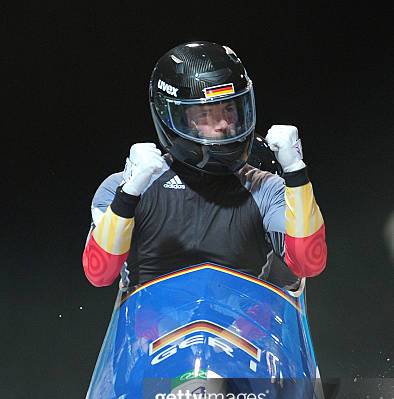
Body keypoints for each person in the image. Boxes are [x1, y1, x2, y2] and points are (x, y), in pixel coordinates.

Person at [82, 41, 327, 291]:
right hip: (152, 329)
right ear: (174, 117)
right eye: (205, 114)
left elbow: (309, 264)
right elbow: (99, 273)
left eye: (229, 109)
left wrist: (296, 172)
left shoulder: (266, 188)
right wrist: (129, 195)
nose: (223, 124)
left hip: (241, 327)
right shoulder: (120, 189)